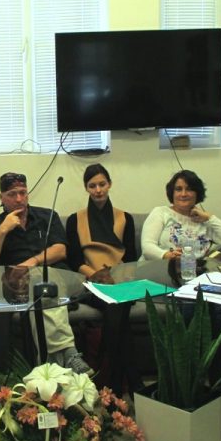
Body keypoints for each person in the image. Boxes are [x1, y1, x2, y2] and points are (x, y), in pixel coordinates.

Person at [0, 172, 91, 374]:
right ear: (1, 197)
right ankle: (66, 355)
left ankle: (48, 369)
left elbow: (60, 250)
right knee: (37, 288)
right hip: (18, 288)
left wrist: (32, 263)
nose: (19, 199)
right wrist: (2, 231)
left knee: (41, 278)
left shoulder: (47, 216)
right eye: (12, 194)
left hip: (57, 278)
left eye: (23, 193)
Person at [65, 164, 138, 393]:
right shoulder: (75, 220)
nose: (98, 190)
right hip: (90, 283)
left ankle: (111, 382)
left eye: (102, 184)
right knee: (117, 307)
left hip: (120, 281)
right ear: (86, 188)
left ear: (110, 184)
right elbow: (74, 259)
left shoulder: (124, 218)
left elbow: (132, 258)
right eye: (92, 186)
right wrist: (96, 275)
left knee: (117, 303)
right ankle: (130, 384)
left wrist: (116, 277)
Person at [140, 169, 221, 261]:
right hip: (158, 267)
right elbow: (147, 247)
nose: (183, 194)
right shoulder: (161, 212)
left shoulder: (204, 220)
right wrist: (167, 255)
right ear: (172, 193)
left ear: (197, 193)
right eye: (178, 189)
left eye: (189, 189)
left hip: (193, 270)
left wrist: (210, 218)